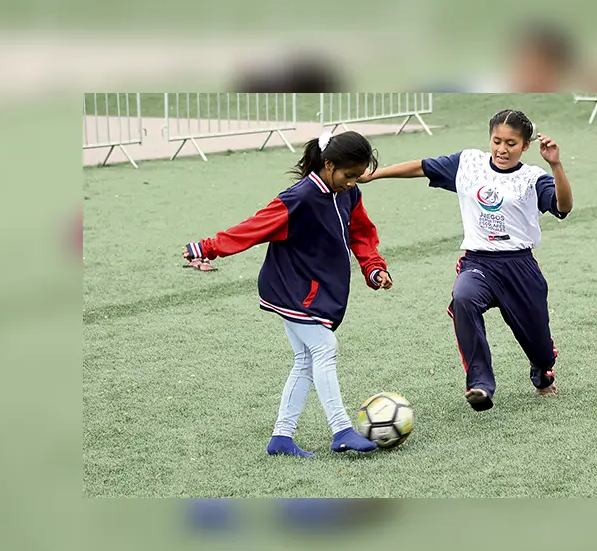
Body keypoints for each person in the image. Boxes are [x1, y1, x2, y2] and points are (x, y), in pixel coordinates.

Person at [183, 130, 393, 455]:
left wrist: (373, 267)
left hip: (319, 289)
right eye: (348, 175)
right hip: (291, 290)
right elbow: (253, 228)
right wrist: (207, 248)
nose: (352, 182)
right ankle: (341, 430)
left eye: (358, 177)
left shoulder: (348, 194)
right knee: (325, 349)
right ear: (328, 164)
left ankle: (281, 437)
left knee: (305, 361)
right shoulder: (299, 197)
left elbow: (362, 233)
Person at [359, 109, 573, 411]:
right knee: (463, 298)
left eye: (511, 143)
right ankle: (481, 384)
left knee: (540, 349)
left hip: (520, 267)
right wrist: (375, 174)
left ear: (525, 146)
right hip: (479, 263)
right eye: (496, 140)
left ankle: (542, 370)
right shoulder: (468, 163)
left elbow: (563, 207)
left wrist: (556, 165)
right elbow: (421, 167)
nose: (501, 149)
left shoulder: (533, 177)